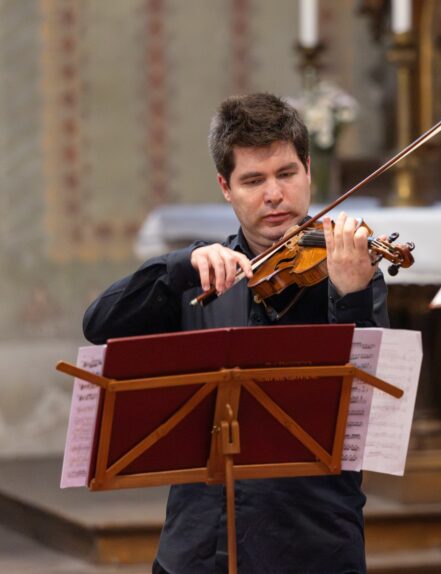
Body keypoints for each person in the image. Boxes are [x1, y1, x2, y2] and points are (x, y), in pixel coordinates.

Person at [83, 93, 388, 573]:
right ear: (226, 187)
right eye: (253, 180)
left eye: (286, 173)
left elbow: (374, 410)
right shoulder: (201, 276)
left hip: (312, 541)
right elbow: (99, 325)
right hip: (200, 544)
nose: (274, 195)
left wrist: (350, 293)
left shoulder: (350, 270)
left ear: (308, 170)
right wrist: (178, 266)